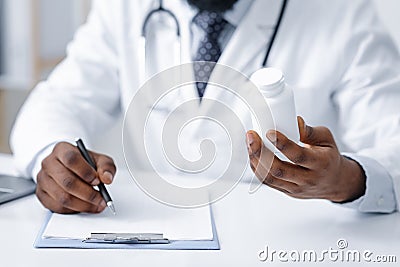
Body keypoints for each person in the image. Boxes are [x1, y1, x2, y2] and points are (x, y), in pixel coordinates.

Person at [11, 0, 400, 214]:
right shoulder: (123, 8)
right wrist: (54, 157)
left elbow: (394, 142)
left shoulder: (347, 15)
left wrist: (348, 180)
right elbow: (57, 100)